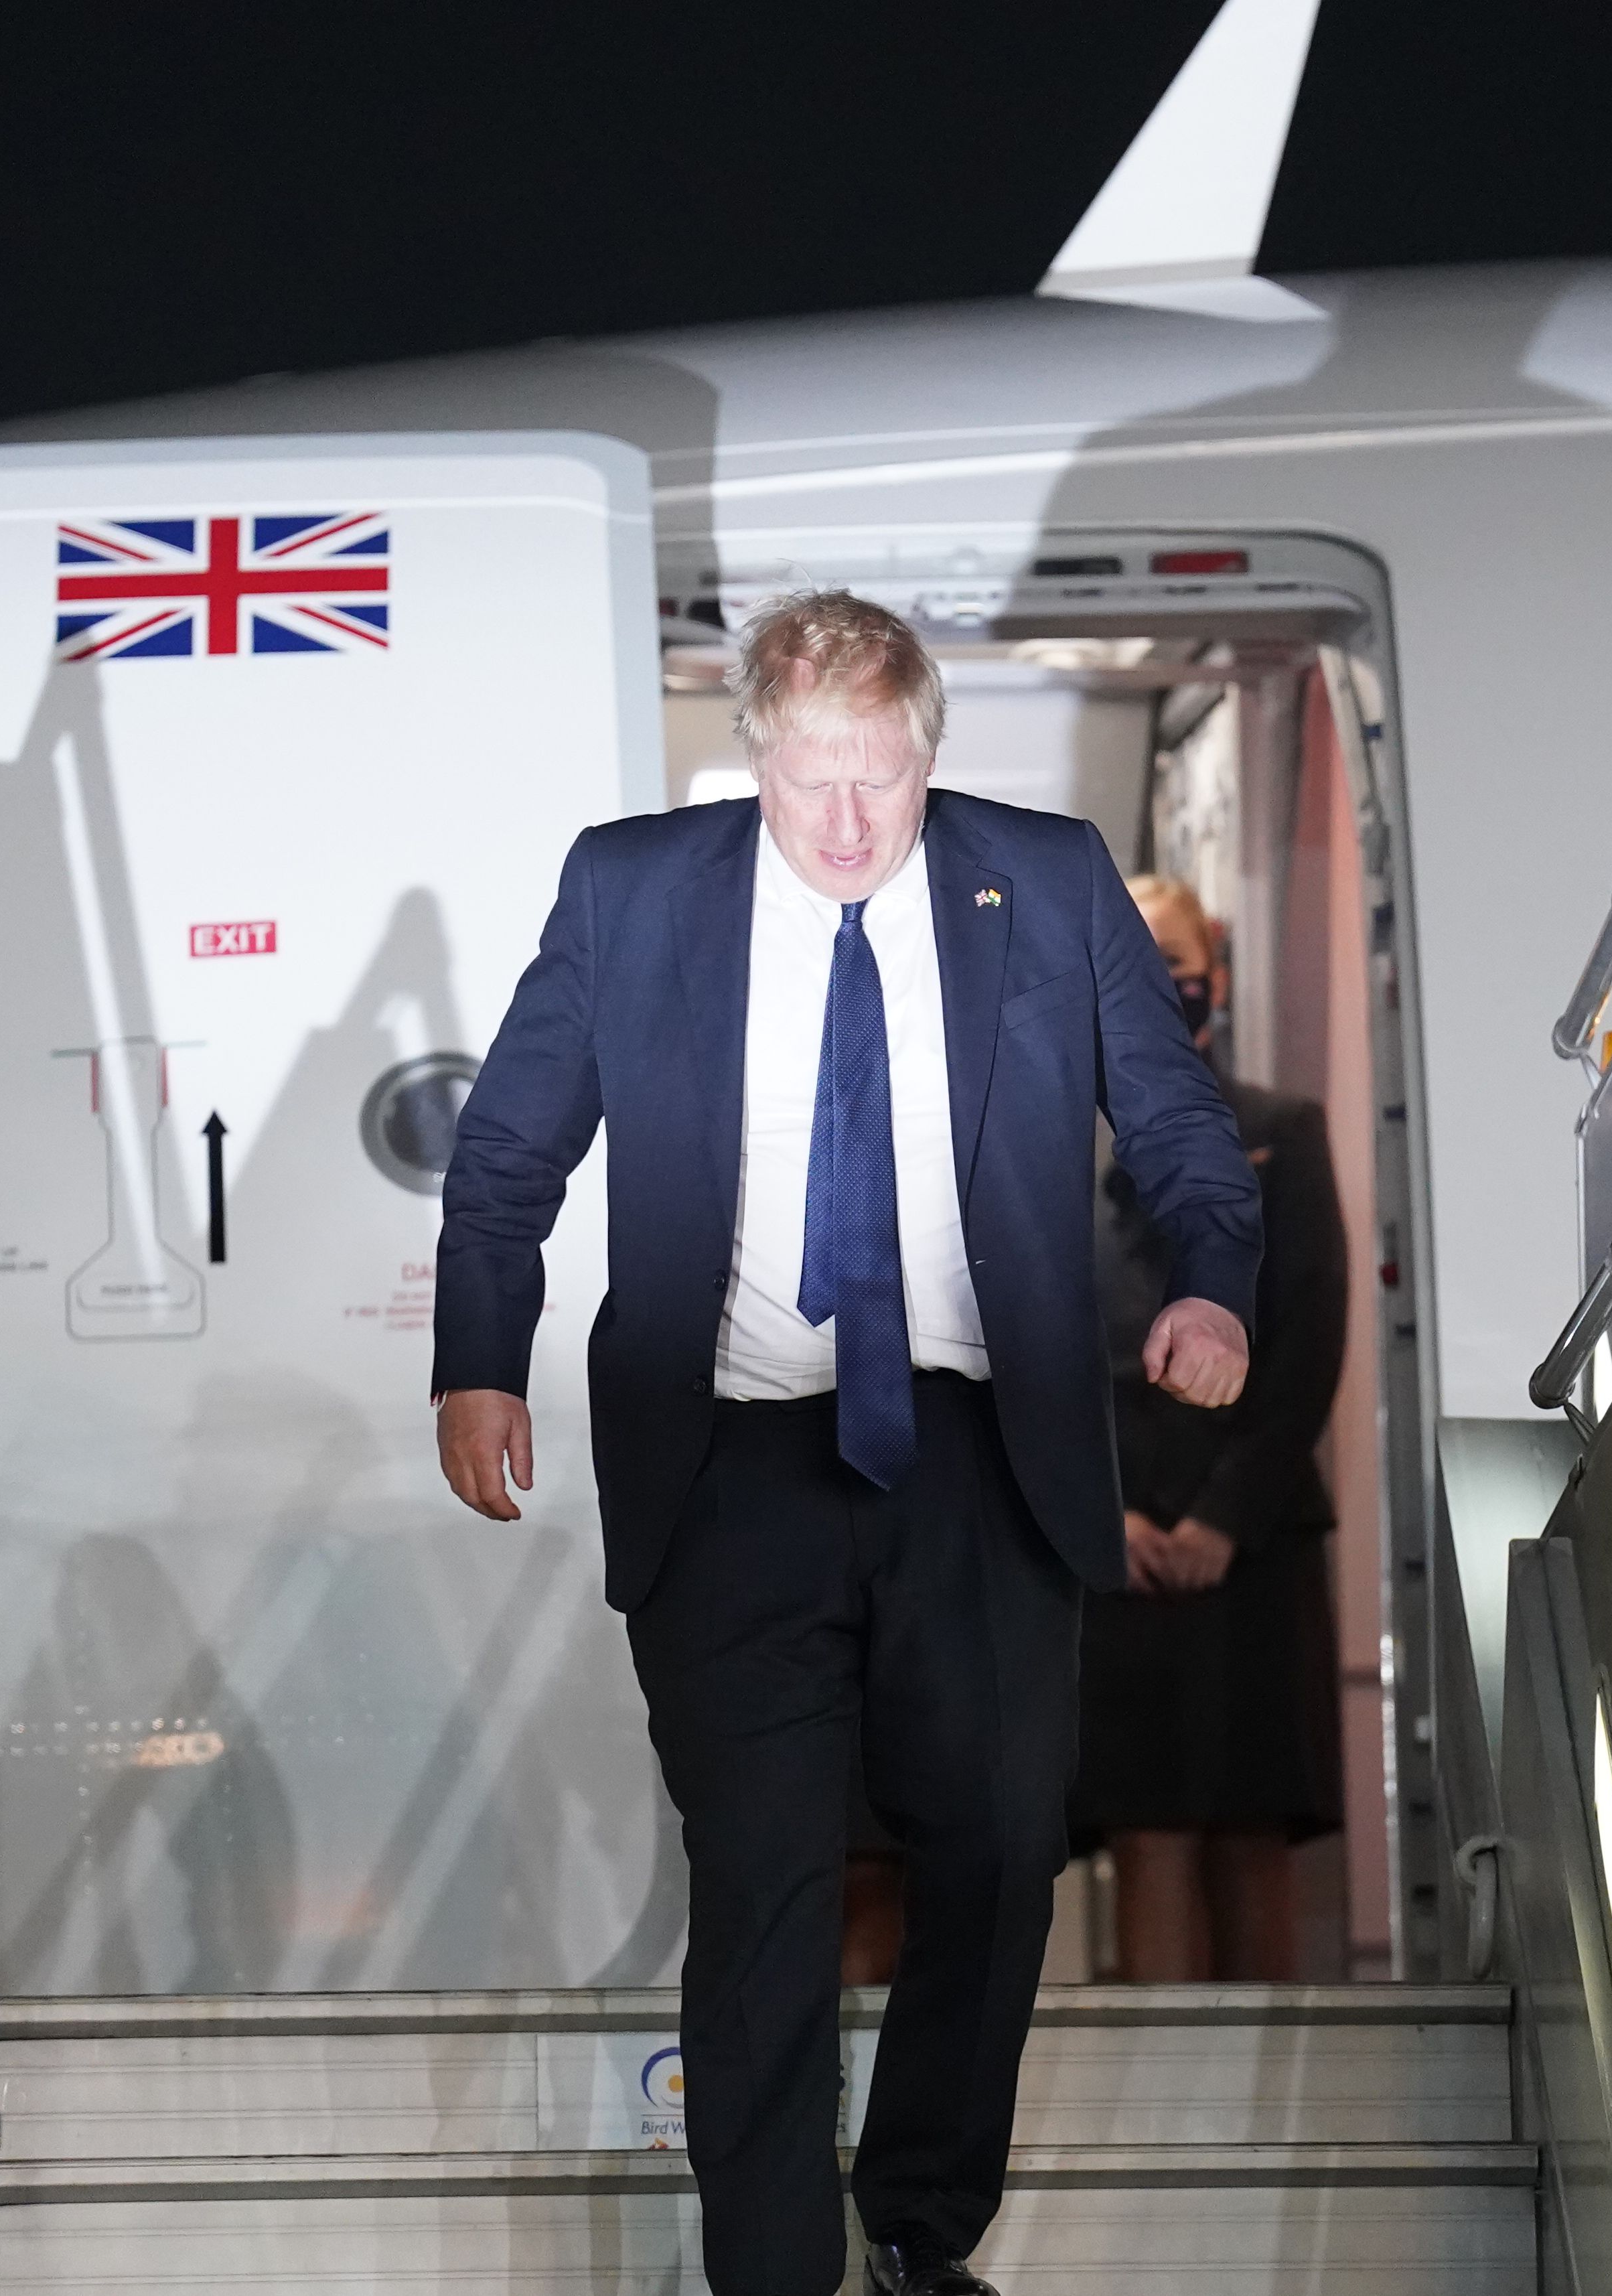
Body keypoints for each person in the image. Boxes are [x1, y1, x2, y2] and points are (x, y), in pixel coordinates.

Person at [431, 591, 1262, 2296]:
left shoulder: (1042, 881)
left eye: (880, 776)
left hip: (978, 1450)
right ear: (757, 757)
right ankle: (773, 2271)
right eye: (811, 778)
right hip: (735, 1467)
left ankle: (918, 2229)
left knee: (1003, 1844)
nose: (848, 823)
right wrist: (478, 1360)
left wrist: (1216, 1287)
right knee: (766, 1871)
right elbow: (509, 1151)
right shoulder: (633, 892)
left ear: (927, 751)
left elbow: (1177, 1124)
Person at [1075, 877, 1349, 1981]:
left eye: (1175, 962)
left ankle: (1272, 2136)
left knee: (1252, 1829)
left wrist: (1222, 1517)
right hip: (1113, 1541)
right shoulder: (1040, 1146)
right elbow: (1021, 1353)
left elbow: (1310, 1338)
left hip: (1252, 1537)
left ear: (1214, 975)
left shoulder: (1282, 1131)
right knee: (1146, 1830)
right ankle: (1153, 2133)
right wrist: (1106, 1512)